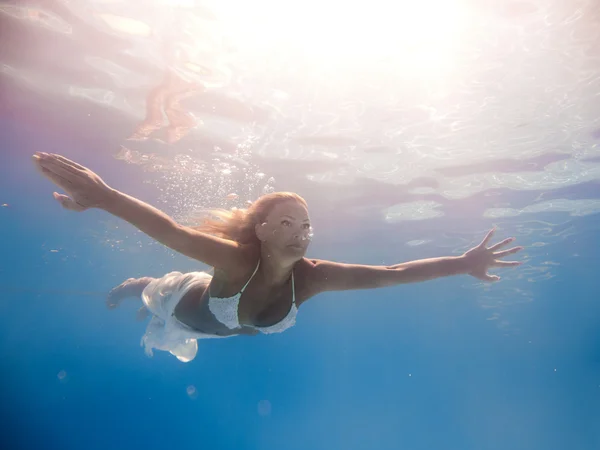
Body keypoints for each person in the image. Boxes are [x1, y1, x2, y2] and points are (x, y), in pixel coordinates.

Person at [32, 152, 523, 362]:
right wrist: (102, 195)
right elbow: (169, 229)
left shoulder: (314, 277)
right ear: (261, 229)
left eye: (306, 224)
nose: (300, 233)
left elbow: (392, 272)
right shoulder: (235, 259)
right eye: (287, 223)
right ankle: (136, 284)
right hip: (180, 301)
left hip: (220, 331)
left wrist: (462, 262)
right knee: (151, 293)